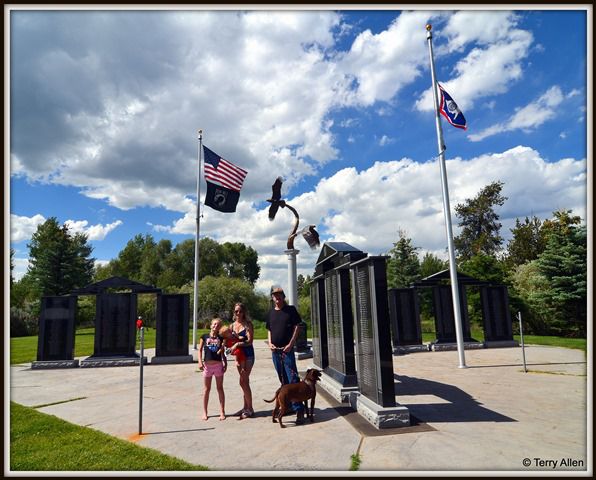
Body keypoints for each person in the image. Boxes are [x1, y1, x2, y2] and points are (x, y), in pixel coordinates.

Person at [265, 286, 305, 425]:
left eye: (279, 295)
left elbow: (297, 327)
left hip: (287, 351)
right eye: (275, 295)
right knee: (283, 381)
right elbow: (269, 329)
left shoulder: (290, 310)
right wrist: (270, 343)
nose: (277, 297)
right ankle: (287, 406)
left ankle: (299, 410)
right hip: (275, 351)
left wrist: (291, 343)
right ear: (272, 297)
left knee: (293, 379)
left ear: (283, 296)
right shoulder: (271, 313)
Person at [228, 302, 255, 420]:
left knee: (243, 381)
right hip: (238, 357)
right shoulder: (231, 326)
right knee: (244, 381)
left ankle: (250, 409)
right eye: (236, 311)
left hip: (248, 356)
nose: (238, 313)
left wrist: (238, 343)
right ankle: (245, 407)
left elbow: (250, 341)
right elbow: (228, 341)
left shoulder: (248, 325)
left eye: (240, 311)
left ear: (244, 312)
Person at [197, 317, 227, 421]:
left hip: (218, 365)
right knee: (206, 389)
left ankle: (222, 411)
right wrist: (200, 362)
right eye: (214, 324)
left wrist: (225, 362)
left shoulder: (221, 338)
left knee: (220, 388)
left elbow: (222, 351)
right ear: (210, 325)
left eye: (218, 325)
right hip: (207, 366)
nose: (216, 326)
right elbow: (200, 350)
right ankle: (205, 412)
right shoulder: (204, 337)